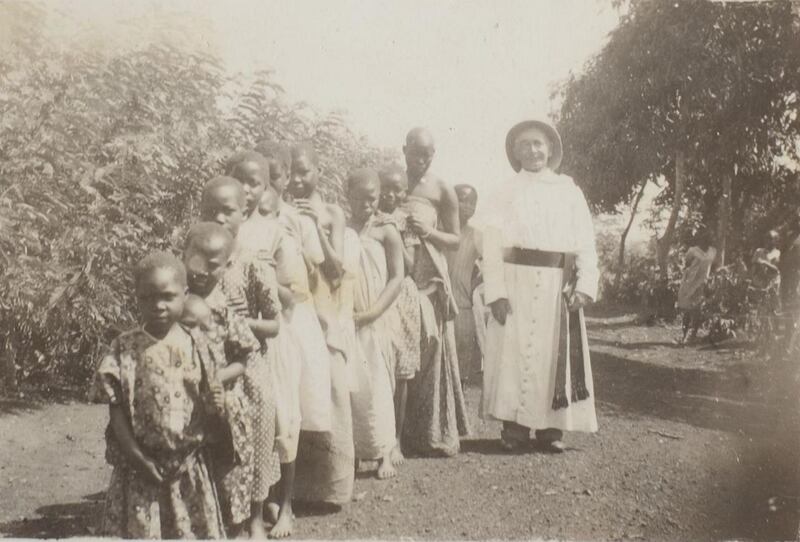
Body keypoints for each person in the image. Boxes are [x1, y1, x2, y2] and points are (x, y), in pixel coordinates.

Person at [481, 118, 599, 453]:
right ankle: (514, 427)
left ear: (550, 150)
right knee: (514, 353)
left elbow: (585, 243)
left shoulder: (568, 191)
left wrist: (585, 284)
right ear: (515, 153)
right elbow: (491, 245)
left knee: (551, 353)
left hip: (554, 284)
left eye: (538, 144)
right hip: (514, 278)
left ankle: (551, 427)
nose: (532, 151)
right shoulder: (503, 191)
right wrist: (496, 292)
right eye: (524, 145)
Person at [92, 251, 225, 539]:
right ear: (136, 297)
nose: (159, 305)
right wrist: (139, 459)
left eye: (168, 296)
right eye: (148, 297)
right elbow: (116, 413)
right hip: (139, 470)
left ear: (185, 294)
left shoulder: (200, 346)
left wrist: (216, 404)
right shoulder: (124, 347)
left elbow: (210, 413)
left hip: (188, 468)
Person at [253, 141, 332, 537]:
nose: (266, 187)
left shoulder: (295, 220)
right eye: (258, 179)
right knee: (258, 406)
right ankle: (260, 493)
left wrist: (288, 290)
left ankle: (287, 503)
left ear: (284, 180)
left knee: (287, 409)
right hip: (254, 319)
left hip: (288, 320)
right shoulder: (244, 220)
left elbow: (315, 276)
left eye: (274, 177)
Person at [200, 176, 284, 538]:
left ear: (244, 212)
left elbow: (275, 323)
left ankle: (254, 517)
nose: (219, 218)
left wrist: (238, 320)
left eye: (228, 211)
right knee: (215, 444)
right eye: (211, 211)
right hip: (207, 366)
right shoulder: (194, 259)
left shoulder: (251, 263)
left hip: (248, 367)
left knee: (258, 439)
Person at [183, 220, 266, 536]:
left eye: (212, 264)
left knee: (228, 478)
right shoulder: (175, 304)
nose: (201, 271)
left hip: (224, 406)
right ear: (183, 255)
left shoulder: (227, 311)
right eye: (195, 261)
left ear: (228, 264)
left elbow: (244, 358)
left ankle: (234, 530)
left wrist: (216, 376)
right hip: (187, 408)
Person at [288, 142, 356, 507]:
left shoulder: (332, 213)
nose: (298, 180)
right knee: (298, 391)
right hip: (296, 309)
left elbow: (337, 270)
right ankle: (294, 488)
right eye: (292, 173)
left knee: (329, 389)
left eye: (305, 171)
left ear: (318, 172)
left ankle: (332, 489)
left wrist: (316, 225)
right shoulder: (281, 211)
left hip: (324, 309)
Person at [399, 127, 470, 457]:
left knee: (431, 345)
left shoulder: (442, 187)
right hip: (398, 270)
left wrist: (429, 231)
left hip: (430, 275)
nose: (422, 159)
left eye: (428, 154)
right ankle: (395, 435)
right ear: (405, 150)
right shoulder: (394, 182)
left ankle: (431, 433)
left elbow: (455, 238)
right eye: (417, 152)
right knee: (400, 347)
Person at [347, 168, 404, 479]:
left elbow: (397, 277)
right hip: (350, 316)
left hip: (377, 315)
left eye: (372, 199)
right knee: (353, 386)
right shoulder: (342, 228)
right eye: (358, 199)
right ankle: (354, 451)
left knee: (380, 385)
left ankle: (384, 452)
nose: (366, 205)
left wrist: (373, 312)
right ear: (347, 196)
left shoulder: (387, 231)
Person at [377, 164, 422, 465]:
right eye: (386, 188)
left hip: (401, 296)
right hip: (375, 289)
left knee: (401, 372)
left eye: (398, 189)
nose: (391, 194)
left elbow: (410, 265)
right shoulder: (366, 216)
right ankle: (374, 437)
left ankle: (395, 440)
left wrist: (392, 231)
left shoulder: (405, 222)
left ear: (405, 193)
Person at [446, 184, 483, 385]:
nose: (467, 206)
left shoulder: (477, 235)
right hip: (438, 306)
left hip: (463, 308)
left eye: (472, 202)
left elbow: (495, 265)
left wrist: (474, 284)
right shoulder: (439, 229)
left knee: (459, 372)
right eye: (461, 199)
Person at [676, 230, 717, 345]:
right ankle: (684, 336)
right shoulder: (693, 250)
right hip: (690, 283)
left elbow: (713, 266)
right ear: (699, 239)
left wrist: (710, 280)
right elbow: (687, 264)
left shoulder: (712, 251)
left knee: (697, 310)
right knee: (688, 311)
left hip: (702, 283)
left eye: (708, 238)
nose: (705, 241)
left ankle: (691, 337)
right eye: (703, 238)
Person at [751, 229, 782, 350]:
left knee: (773, 309)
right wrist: (754, 278)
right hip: (760, 283)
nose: (768, 241)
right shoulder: (759, 251)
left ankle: (773, 338)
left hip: (773, 283)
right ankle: (761, 337)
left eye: (771, 239)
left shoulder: (777, 253)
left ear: (776, 241)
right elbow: (754, 266)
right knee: (760, 309)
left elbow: (776, 269)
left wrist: (764, 262)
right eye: (767, 238)